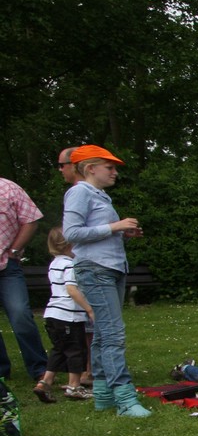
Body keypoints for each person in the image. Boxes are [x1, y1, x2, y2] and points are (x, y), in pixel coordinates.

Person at [62, 145, 151, 417]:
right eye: (109, 167)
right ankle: (125, 399)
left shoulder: (99, 195)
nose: (115, 173)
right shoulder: (79, 192)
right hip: (96, 269)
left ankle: (102, 395)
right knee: (113, 334)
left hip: (110, 268)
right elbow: (71, 233)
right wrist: (115, 226)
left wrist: (122, 234)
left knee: (102, 333)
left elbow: (93, 232)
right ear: (90, 168)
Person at [34, 227, 93, 402]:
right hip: (68, 316)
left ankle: (45, 382)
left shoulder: (54, 263)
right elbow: (72, 290)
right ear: (70, 245)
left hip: (52, 314)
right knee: (76, 350)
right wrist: (89, 309)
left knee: (59, 349)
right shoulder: (70, 264)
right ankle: (74, 386)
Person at [0, 177, 49, 385]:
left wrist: (14, 250)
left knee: (20, 315)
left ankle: (39, 368)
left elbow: (31, 220)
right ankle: (2, 371)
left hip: (7, 266)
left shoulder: (8, 188)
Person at [58, 145, 92, 386]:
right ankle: (87, 374)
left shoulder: (83, 192)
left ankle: (91, 373)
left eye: (62, 165)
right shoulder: (80, 193)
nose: (60, 170)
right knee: (90, 332)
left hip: (90, 267)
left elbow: (73, 233)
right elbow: (73, 232)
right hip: (86, 270)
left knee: (93, 331)